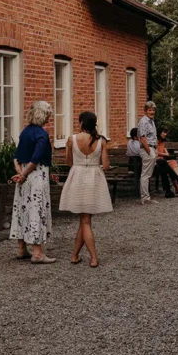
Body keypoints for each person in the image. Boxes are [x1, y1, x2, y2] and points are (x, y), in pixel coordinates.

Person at [59, 111, 114, 266]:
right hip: (93, 179)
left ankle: (76, 256)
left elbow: (69, 162)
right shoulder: (101, 140)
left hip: (77, 178)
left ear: (81, 123)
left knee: (84, 220)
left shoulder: (72, 139)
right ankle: (92, 257)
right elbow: (106, 165)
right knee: (85, 220)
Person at [10, 100, 56, 263]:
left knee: (22, 209)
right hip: (36, 177)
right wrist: (25, 174)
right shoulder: (41, 134)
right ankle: (37, 253)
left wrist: (20, 173)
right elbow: (36, 158)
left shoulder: (25, 132)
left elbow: (16, 156)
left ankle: (22, 249)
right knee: (36, 210)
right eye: (48, 115)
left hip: (23, 176)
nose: (49, 118)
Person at [137, 101, 159, 204]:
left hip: (152, 148)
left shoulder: (151, 121)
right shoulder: (144, 121)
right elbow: (142, 138)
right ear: (145, 111)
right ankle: (145, 198)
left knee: (148, 174)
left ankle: (146, 196)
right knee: (145, 174)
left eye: (153, 110)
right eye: (150, 110)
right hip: (147, 149)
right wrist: (150, 151)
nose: (152, 112)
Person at [156, 127, 178, 197]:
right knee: (168, 167)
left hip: (163, 160)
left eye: (165, 132)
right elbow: (156, 152)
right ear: (159, 133)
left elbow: (166, 152)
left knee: (173, 162)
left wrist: (164, 153)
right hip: (158, 161)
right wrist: (164, 154)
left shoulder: (162, 142)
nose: (165, 134)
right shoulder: (155, 141)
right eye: (163, 132)